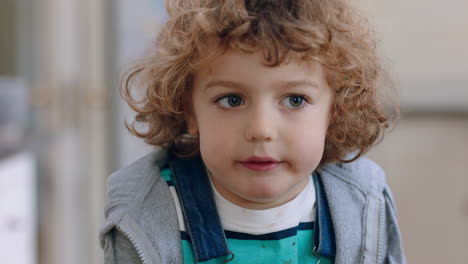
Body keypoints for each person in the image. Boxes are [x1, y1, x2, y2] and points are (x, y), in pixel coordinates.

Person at [100, 0, 406, 263]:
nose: (261, 130)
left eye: (295, 100)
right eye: (232, 100)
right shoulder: (146, 214)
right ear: (190, 111)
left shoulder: (365, 204)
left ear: (333, 111)